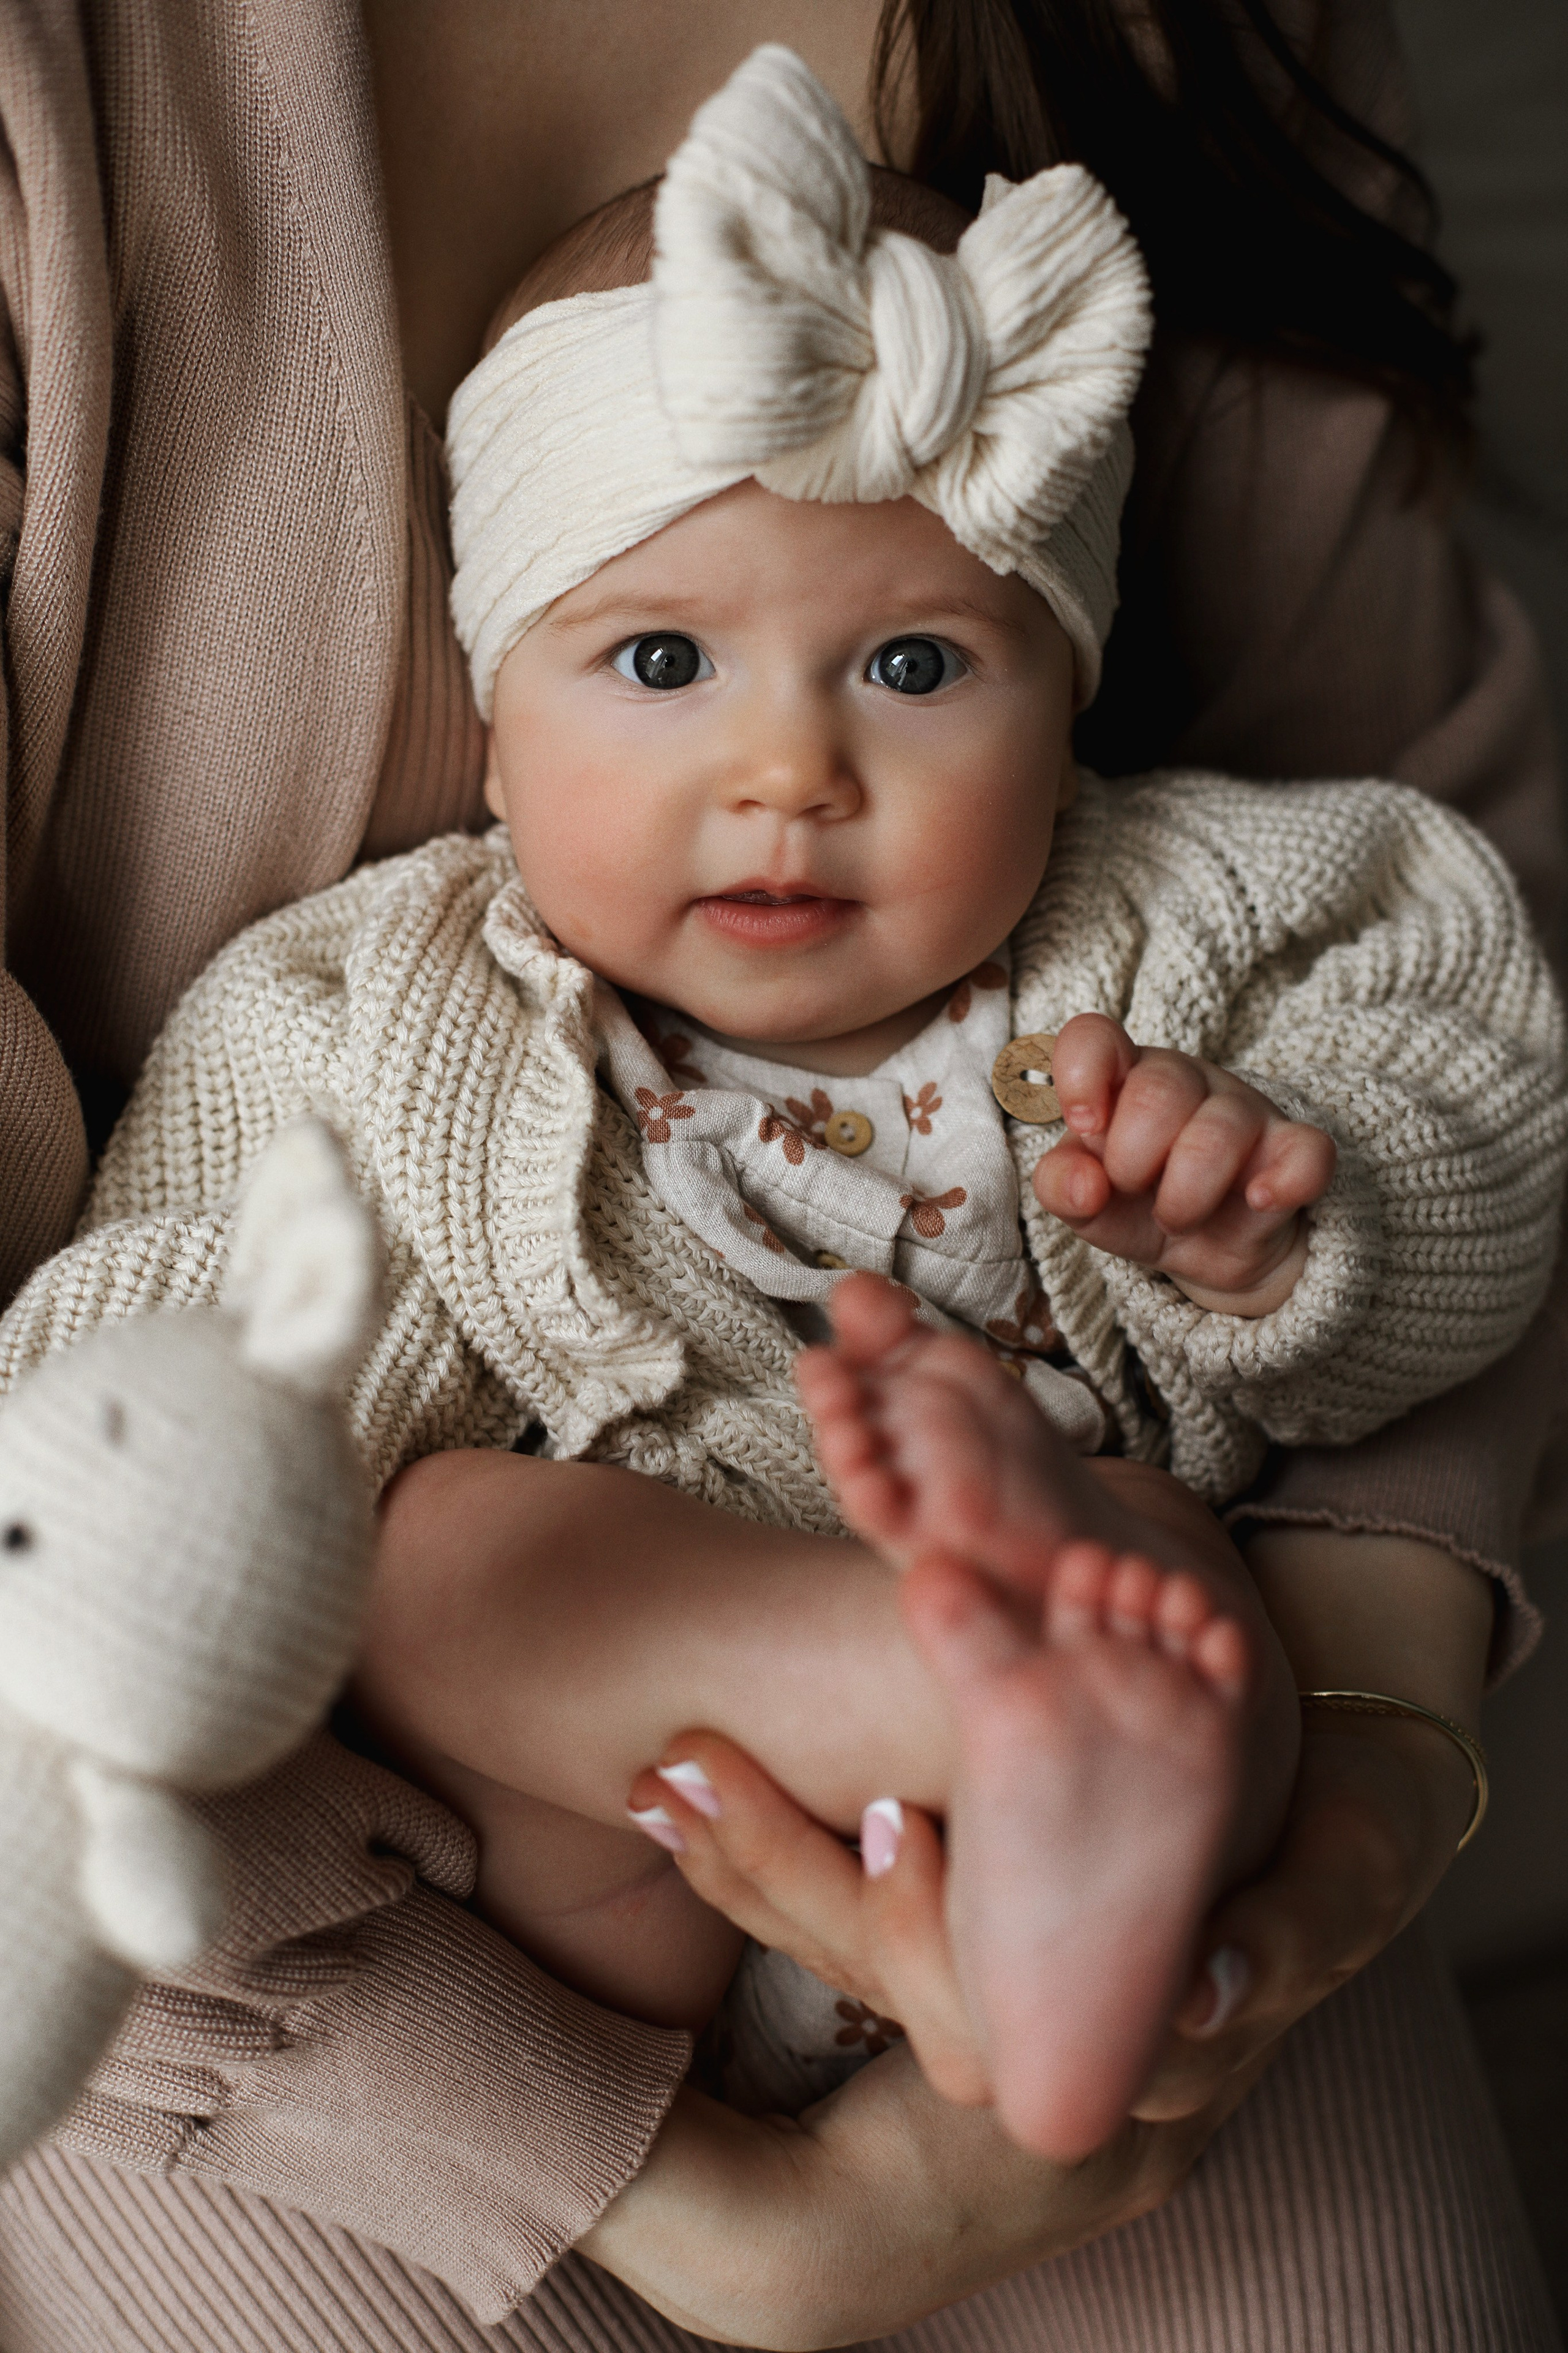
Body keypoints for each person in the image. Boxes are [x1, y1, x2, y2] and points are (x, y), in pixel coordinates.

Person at [0, 5, 1561, 2350]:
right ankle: (942, 1673)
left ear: (1075, 687)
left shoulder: (1183, 924)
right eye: (656, 659)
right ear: (493, 713)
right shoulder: (381, 1018)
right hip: (491, 1883)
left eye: (920, 664)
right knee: (445, 1560)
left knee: (1142, 1563)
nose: (790, 773)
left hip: (1098, 1811)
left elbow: (1469, 1059)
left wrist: (1291, 1229)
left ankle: (1065, 1811)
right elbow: (128, 1419)